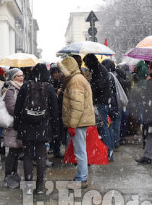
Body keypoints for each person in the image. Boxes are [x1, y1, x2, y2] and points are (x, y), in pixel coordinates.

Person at [13, 63, 59, 195]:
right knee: (41, 156)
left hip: (26, 124)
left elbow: (18, 108)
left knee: (27, 156)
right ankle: (39, 186)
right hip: (43, 125)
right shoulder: (49, 88)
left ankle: (28, 185)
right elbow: (55, 111)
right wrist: (55, 129)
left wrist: (17, 124)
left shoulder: (26, 86)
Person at [59, 56, 95, 189]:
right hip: (81, 121)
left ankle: (81, 178)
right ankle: (81, 175)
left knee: (80, 151)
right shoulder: (77, 79)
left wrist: (72, 124)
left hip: (79, 122)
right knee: (80, 150)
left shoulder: (75, 81)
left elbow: (77, 105)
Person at [83, 53, 118, 161]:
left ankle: (108, 152)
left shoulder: (99, 70)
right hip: (101, 103)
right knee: (102, 128)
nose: (87, 66)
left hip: (100, 104)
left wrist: (89, 86)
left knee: (102, 128)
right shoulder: (98, 69)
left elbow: (99, 86)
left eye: (87, 64)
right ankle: (107, 151)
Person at [3, 68, 24, 189]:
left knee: (16, 151)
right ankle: (8, 176)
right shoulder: (11, 90)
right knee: (12, 152)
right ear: (12, 78)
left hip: (18, 124)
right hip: (13, 125)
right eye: (18, 76)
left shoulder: (19, 89)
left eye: (22, 75)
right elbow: (11, 108)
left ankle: (14, 174)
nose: (21, 78)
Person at [49, 64, 66, 158]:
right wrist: (56, 91)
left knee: (60, 131)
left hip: (60, 110)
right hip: (53, 111)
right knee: (54, 131)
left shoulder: (62, 82)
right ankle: (53, 147)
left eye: (58, 72)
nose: (56, 74)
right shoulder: (49, 82)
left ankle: (57, 149)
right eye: (54, 73)